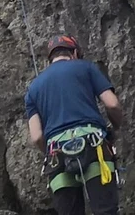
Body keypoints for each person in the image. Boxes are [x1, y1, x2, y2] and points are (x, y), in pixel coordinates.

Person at [25, 34, 127, 215]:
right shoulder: (86, 68)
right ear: (74, 53)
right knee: (105, 211)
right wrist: (116, 127)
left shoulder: (33, 88)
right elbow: (112, 104)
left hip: (57, 155)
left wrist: (49, 151)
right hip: (94, 146)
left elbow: (37, 136)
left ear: (50, 60)